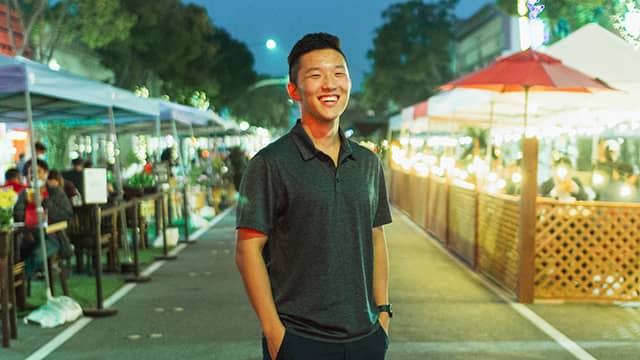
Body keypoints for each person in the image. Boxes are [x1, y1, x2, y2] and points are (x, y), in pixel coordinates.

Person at [235, 33, 392, 360]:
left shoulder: (367, 162)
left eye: (338, 73)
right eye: (315, 75)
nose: (330, 84)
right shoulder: (270, 163)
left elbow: (376, 237)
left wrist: (384, 314)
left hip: (366, 338)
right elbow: (248, 250)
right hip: (300, 340)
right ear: (294, 90)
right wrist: (275, 333)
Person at [13, 159, 74, 274]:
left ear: (46, 174)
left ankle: (20, 279)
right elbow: (17, 216)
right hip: (27, 235)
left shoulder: (56, 192)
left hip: (52, 236)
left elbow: (66, 215)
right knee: (11, 252)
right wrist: (24, 203)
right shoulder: (24, 193)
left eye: (38, 171)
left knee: (37, 254)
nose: (34, 175)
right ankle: (15, 281)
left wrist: (44, 201)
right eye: (31, 172)